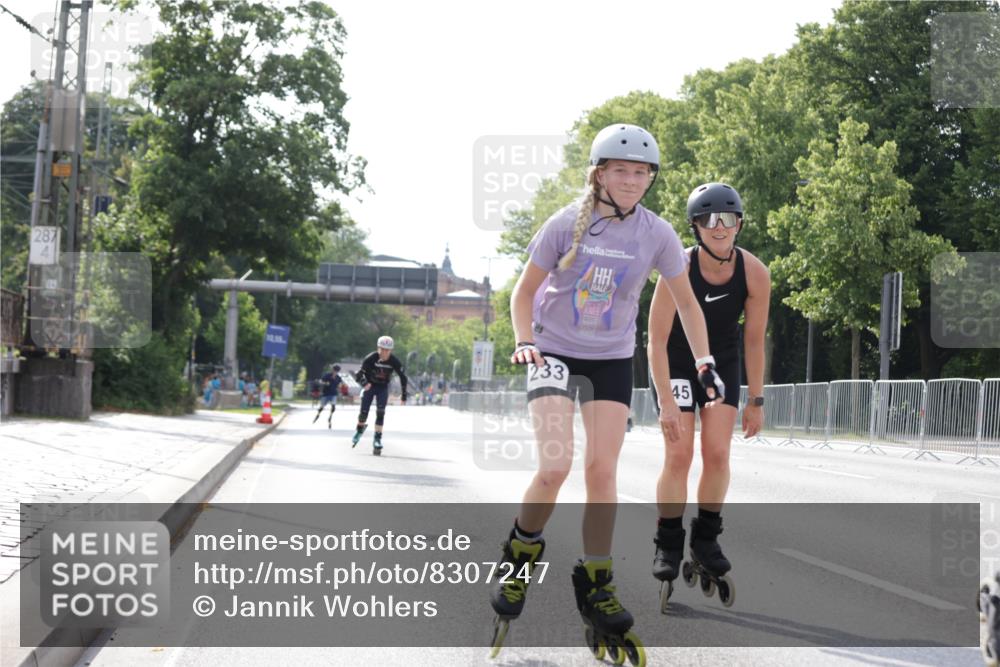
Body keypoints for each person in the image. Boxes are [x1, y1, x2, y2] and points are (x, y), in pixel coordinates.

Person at [488, 123, 725, 665]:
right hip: (551, 351)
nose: (632, 181)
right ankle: (519, 555)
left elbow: (688, 304)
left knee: (601, 470)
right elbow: (524, 293)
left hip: (612, 357)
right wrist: (524, 340)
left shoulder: (657, 234)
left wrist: (705, 361)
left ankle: (596, 579)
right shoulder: (563, 224)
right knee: (555, 465)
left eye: (641, 172)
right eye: (621, 170)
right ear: (598, 173)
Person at [647, 182, 769, 612]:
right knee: (678, 455)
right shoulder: (677, 266)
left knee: (717, 452)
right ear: (695, 227)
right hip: (678, 361)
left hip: (723, 362)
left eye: (728, 219)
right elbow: (655, 340)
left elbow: (754, 340)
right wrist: (665, 398)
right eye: (709, 220)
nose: (719, 227)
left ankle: (705, 541)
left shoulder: (755, 273)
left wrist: (756, 399)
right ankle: (667, 542)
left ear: (739, 224)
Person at [350, 336, 409, 455]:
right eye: (382, 350)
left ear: (391, 350)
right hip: (370, 386)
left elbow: (403, 378)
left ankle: (377, 439)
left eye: (387, 350)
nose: (385, 353)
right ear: (378, 348)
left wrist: (404, 396)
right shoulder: (371, 358)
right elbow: (358, 375)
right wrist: (364, 384)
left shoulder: (394, 361)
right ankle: (359, 430)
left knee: (381, 412)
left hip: (382, 387)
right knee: (363, 414)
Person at [312, 364, 343, 428]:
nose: (335, 372)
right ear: (333, 370)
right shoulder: (327, 375)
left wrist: (339, 388)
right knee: (322, 407)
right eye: (335, 370)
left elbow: (340, 384)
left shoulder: (338, 378)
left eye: (337, 371)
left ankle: (330, 418)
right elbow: (321, 381)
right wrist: (325, 383)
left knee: (333, 407)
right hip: (326, 393)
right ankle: (318, 415)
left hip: (333, 394)